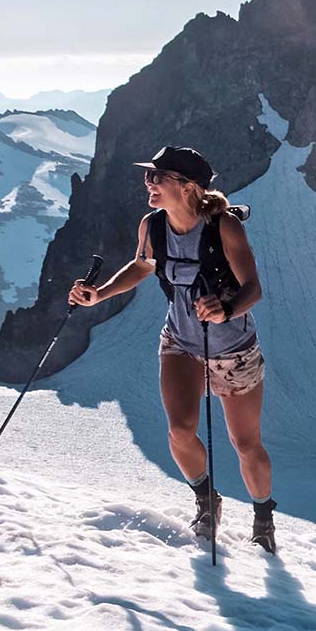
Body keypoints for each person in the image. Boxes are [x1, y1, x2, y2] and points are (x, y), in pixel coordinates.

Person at [68, 145, 277, 552]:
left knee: (246, 444)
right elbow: (143, 265)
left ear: (187, 187)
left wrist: (226, 309)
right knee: (180, 432)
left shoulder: (225, 228)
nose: (148, 182)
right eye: (149, 175)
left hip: (234, 349)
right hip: (181, 342)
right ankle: (206, 501)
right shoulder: (152, 225)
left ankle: (263, 519)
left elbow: (253, 289)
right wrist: (101, 293)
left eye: (157, 177)